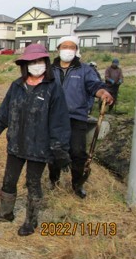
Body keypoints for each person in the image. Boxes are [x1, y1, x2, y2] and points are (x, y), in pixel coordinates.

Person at [0, 44, 71, 236]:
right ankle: (5, 213)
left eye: (39, 61)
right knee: (8, 181)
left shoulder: (53, 89)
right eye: (32, 62)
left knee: (33, 183)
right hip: (16, 144)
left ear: (45, 62)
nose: (36, 65)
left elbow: (59, 121)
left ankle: (31, 221)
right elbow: (3, 113)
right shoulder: (17, 86)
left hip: (40, 147)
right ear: (25, 65)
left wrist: (59, 148)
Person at [48, 36, 114, 199]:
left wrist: (103, 93)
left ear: (76, 50)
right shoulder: (49, 69)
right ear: (58, 49)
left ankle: (77, 184)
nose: (68, 49)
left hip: (76, 117)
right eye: (65, 46)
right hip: (54, 117)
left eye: (71, 47)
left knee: (77, 151)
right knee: (55, 150)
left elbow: (95, 86)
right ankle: (53, 180)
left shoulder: (85, 70)